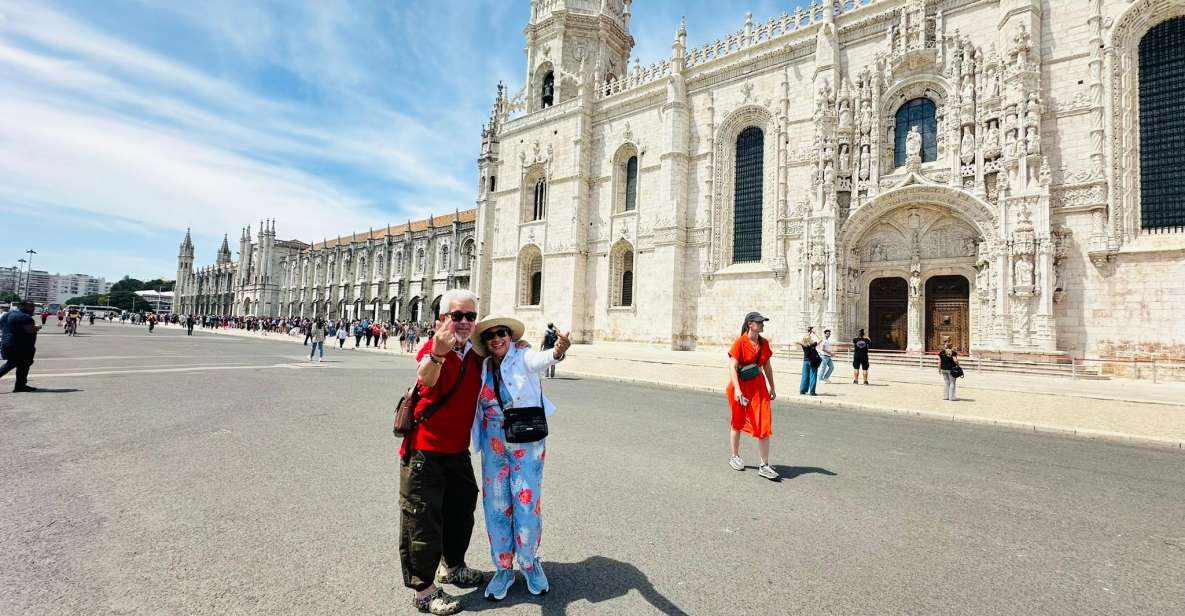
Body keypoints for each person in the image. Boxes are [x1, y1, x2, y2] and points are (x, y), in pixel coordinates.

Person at [471, 316, 569, 600]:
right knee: (496, 506)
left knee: (526, 504)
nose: (497, 339)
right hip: (493, 446)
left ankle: (528, 562)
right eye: (490, 336)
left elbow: (542, 360)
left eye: (501, 333)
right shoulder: (485, 366)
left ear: (510, 336)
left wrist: (559, 350)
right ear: (486, 343)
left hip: (526, 442)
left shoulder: (523, 355)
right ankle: (503, 568)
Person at [400, 289, 486, 615]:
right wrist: (437, 353)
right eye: (457, 316)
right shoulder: (433, 347)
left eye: (470, 316)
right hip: (425, 450)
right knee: (422, 519)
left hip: (456, 451)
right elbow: (426, 377)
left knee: (461, 509)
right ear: (443, 320)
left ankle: (452, 567)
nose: (464, 322)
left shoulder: (476, 355)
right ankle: (424, 591)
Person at [725, 312, 779, 481]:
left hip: (759, 388)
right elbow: (732, 366)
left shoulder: (764, 343)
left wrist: (772, 386)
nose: (762, 324)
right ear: (750, 324)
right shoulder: (740, 342)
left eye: (763, 322)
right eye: (759, 322)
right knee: (738, 421)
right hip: (741, 387)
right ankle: (734, 456)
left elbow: (767, 367)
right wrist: (738, 390)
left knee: (764, 423)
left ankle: (764, 465)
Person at [0, 300, 41, 392]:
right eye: (31, 306)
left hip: (7, 343)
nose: (33, 308)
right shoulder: (25, 317)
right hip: (21, 346)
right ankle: (20, 385)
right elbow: (30, 330)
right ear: (22, 306)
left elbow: (2, 326)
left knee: (23, 365)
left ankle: (20, 385)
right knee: (13, 364)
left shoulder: (7, 315)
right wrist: (37, 327)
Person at [798, 327, 820, 396]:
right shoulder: (813, 345)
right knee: (813, 376)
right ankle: (812, 391)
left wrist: (808, 333)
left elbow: (803, 340)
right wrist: (815, 333)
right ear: (810, 339)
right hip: (812, 361)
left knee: (805, 376)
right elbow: (821, 339)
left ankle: (802, 390)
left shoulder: (803, 345)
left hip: (805, 362)